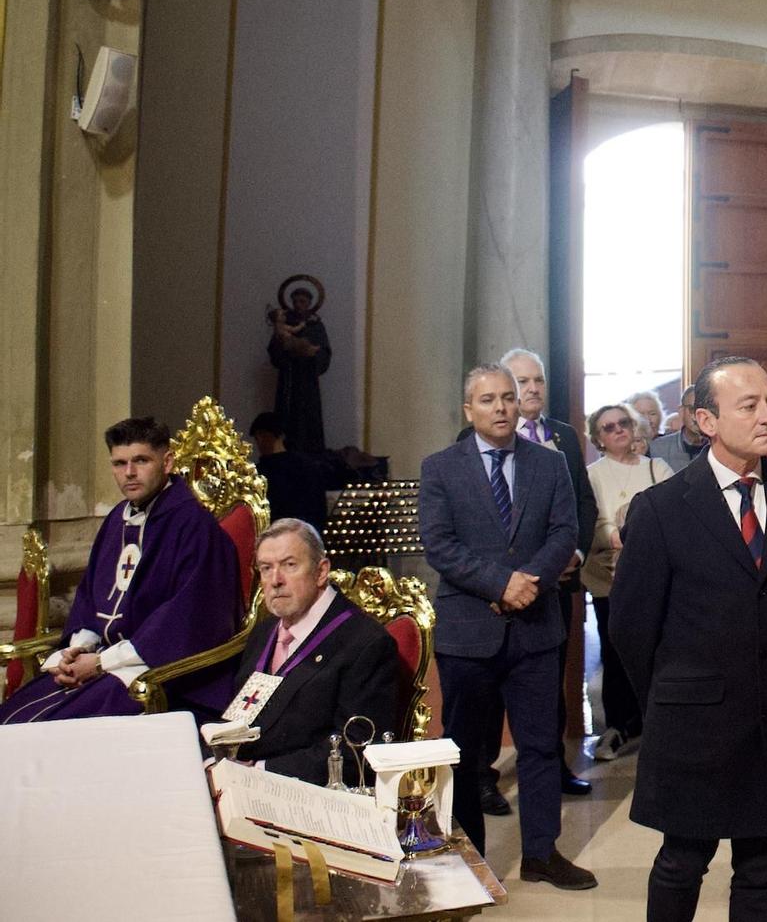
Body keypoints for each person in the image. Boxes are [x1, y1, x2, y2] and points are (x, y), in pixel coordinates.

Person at [612, 355, 767, 922]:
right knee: (682, 862)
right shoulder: (659, 510)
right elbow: (632, 628)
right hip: (694, 722)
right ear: (706, 421)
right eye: (749, 405)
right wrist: (672, 697)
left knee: (763, 868)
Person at [419, 365, 597, 891]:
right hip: (468, 632)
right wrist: (501, 584)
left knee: (542, 746)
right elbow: (440, 544)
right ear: (467, 410)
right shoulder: (440, 468)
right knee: (467, 751)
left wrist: (530, 584)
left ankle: (542, 853)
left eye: (508, 398)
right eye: (488, 399)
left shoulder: (549, 463)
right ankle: (468, 857)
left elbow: (566, 530)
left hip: (536, 629)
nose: (500, 407)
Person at [0, 418, 242, 724]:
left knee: (49, 728)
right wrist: (77, 650)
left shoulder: (194, 527)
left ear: (166, 462)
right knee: (12, 717)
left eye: (141, 460)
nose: (129, 473)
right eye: (119, 463)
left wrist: (102, 662)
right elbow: (92, 596)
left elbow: (187, 621)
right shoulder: (117, 519)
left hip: (159, 673)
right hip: (103, 660)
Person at [459, 347, 595, 808]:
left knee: (547, 684)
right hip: (491, 595)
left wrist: (568, 555)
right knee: (491, 691)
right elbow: (471, 529)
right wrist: (505, 583)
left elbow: (581, 505)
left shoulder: (563, 438)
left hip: (552, 583)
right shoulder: (469, 441)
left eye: (536, 381)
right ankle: (483, 775)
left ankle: (551, 765)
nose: (530, 389)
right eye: (522, 383)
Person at [222, 519, 400, 784]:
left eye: (289, 565)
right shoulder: (263, 633)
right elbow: (239, 715)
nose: (275, 581)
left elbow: (356, 750)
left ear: (321, 571)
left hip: (308, 795)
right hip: (241, 780)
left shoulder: (365, 643)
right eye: (266, 568)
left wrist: (260, 771)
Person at [580, 402, 665, 761]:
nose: (617, 431)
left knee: (657, 649)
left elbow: (671, 507)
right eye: (608, 427)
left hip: (654, 576)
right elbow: (593, 517)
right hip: (610, 576)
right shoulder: (594, 473)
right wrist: (617, 536)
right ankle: (616, 726)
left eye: (623, 423)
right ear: (598, 438)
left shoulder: (655, 467)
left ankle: (656, 723)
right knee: (616, 650)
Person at [267, 284, 333, 453]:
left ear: (309, 303)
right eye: (295, 301)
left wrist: (311, 354)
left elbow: (324, 353)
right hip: (288, 380)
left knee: (308, 424)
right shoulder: (285, 324)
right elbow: (274, 352)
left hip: (308, 382)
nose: (298, 305)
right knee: (286, 422)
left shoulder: (315, 325)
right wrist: (284, 347)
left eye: (302, 301)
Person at [249, 412, 339, 530]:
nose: (259, 441)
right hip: (304, 531)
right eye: (257, 437)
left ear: (277, 435)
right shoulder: (309, 466)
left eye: (263, 435)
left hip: (282, 531)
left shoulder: (262, 472)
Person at [649, 390, 705, 471]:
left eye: (703, 410)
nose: (697, 416)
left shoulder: (721, 448)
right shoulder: (658, 448)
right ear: (681, 411)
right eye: (692, 409)